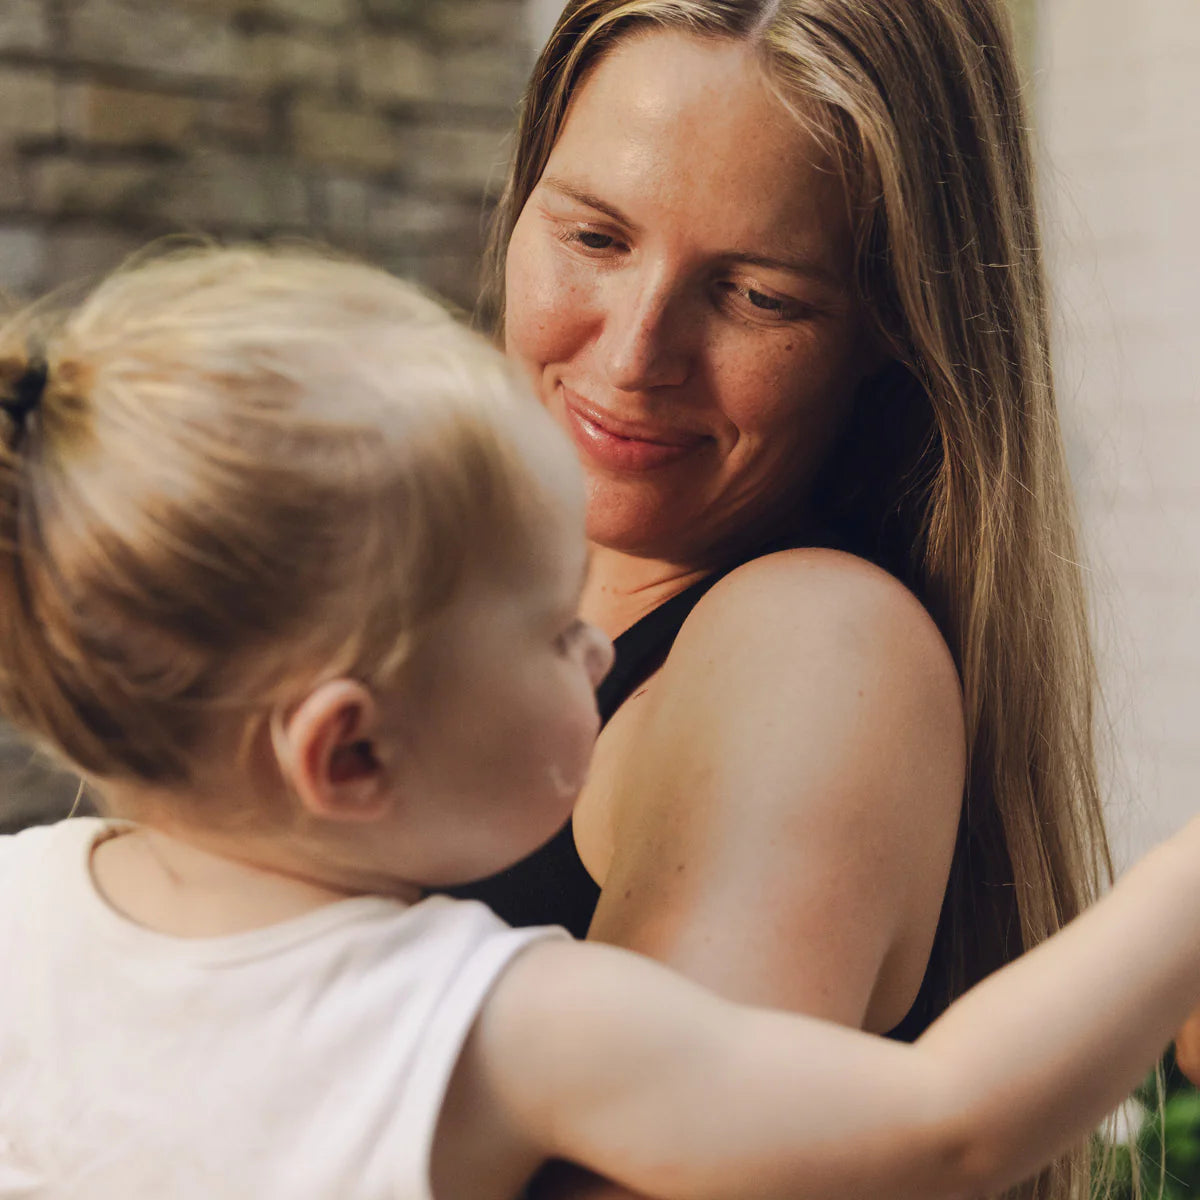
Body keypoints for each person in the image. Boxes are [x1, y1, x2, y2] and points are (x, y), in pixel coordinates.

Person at [1, 244, 1199, 1200]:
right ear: (351, 752)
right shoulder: (491, 1027)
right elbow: (948, 1125)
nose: (597, 642)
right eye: (546, 626)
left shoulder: (20, 909)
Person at [453, 3, 1115, 1194]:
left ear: (891, 330)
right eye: (595, 236)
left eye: (759, 296)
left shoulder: (814, 645)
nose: (633, 354)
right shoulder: (430, 605)